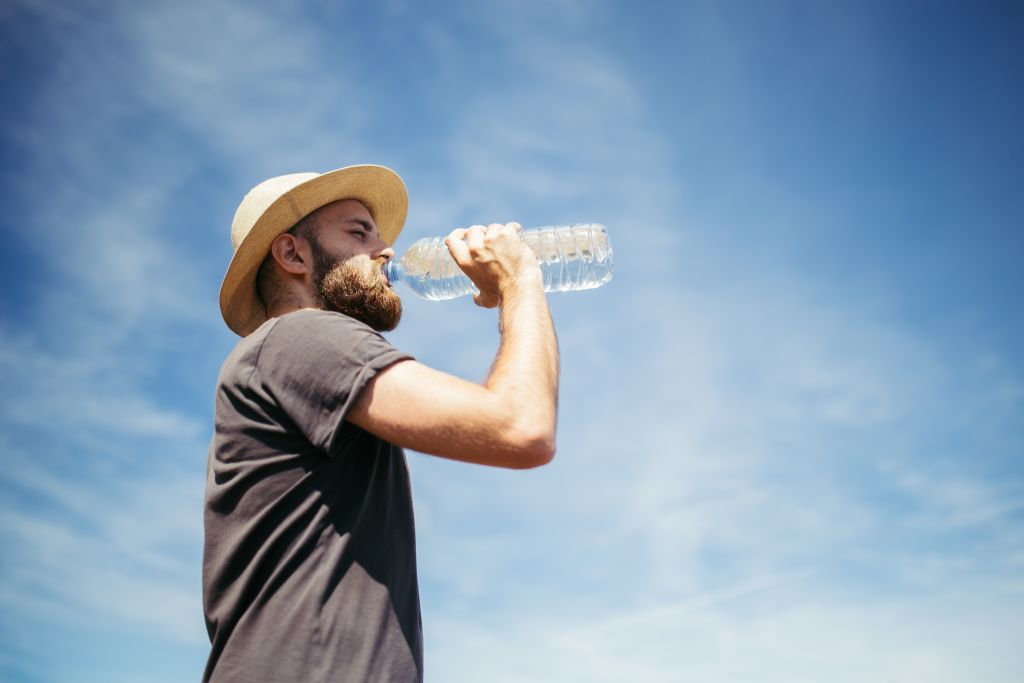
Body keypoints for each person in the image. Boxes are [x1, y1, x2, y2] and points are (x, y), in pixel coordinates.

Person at [202, 165, 559, 682]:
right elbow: (520, 427)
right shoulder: (303, 336)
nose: (386, 249)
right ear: (292, 254)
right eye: (358, 232)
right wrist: (520, 282)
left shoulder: (293, 359)